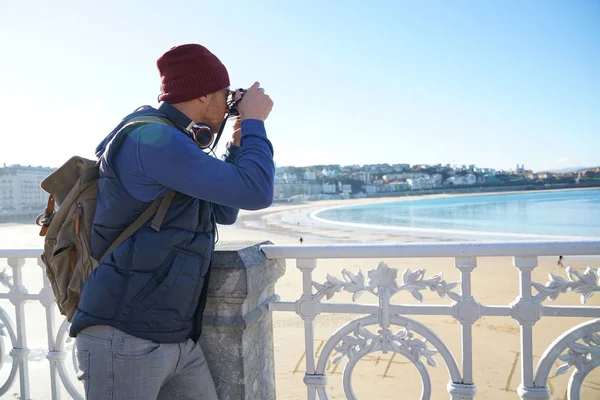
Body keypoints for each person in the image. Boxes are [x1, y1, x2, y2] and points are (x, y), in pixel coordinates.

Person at [70, 44, 275, 399]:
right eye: (225, 94)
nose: (228, 103)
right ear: (204, 94)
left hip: (175, 338)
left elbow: (224, 211)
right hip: (124, 338)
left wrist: (239, 145)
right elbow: (256, 191)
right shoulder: (153, 139)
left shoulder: (177, 144)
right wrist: (255, 122)